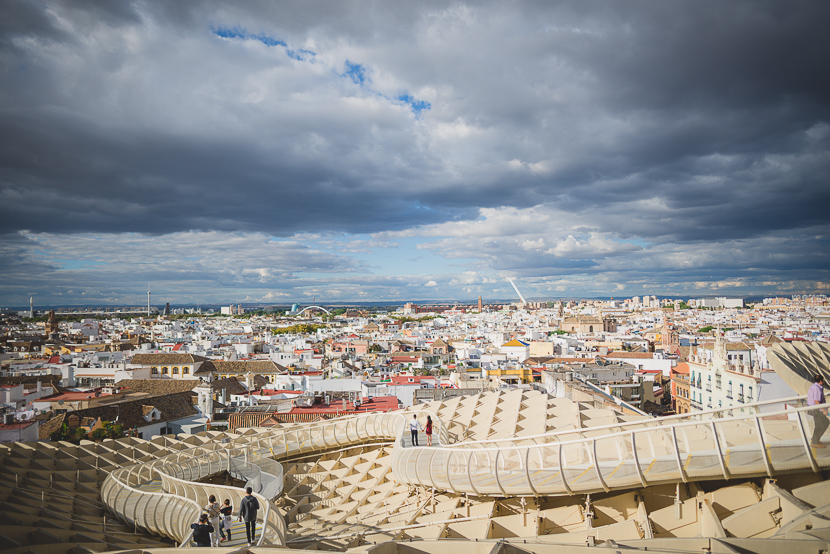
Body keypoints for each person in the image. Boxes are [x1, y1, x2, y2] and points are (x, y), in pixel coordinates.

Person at [808, 374, 828, 448]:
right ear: (820, 381)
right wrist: (823, 410)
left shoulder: (814, 386)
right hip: (816, 409)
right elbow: (816, 400)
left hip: (814, 409)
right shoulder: (817, 388)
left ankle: (815, 439)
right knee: (825, 423)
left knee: (819, 424)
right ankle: (815, 441)